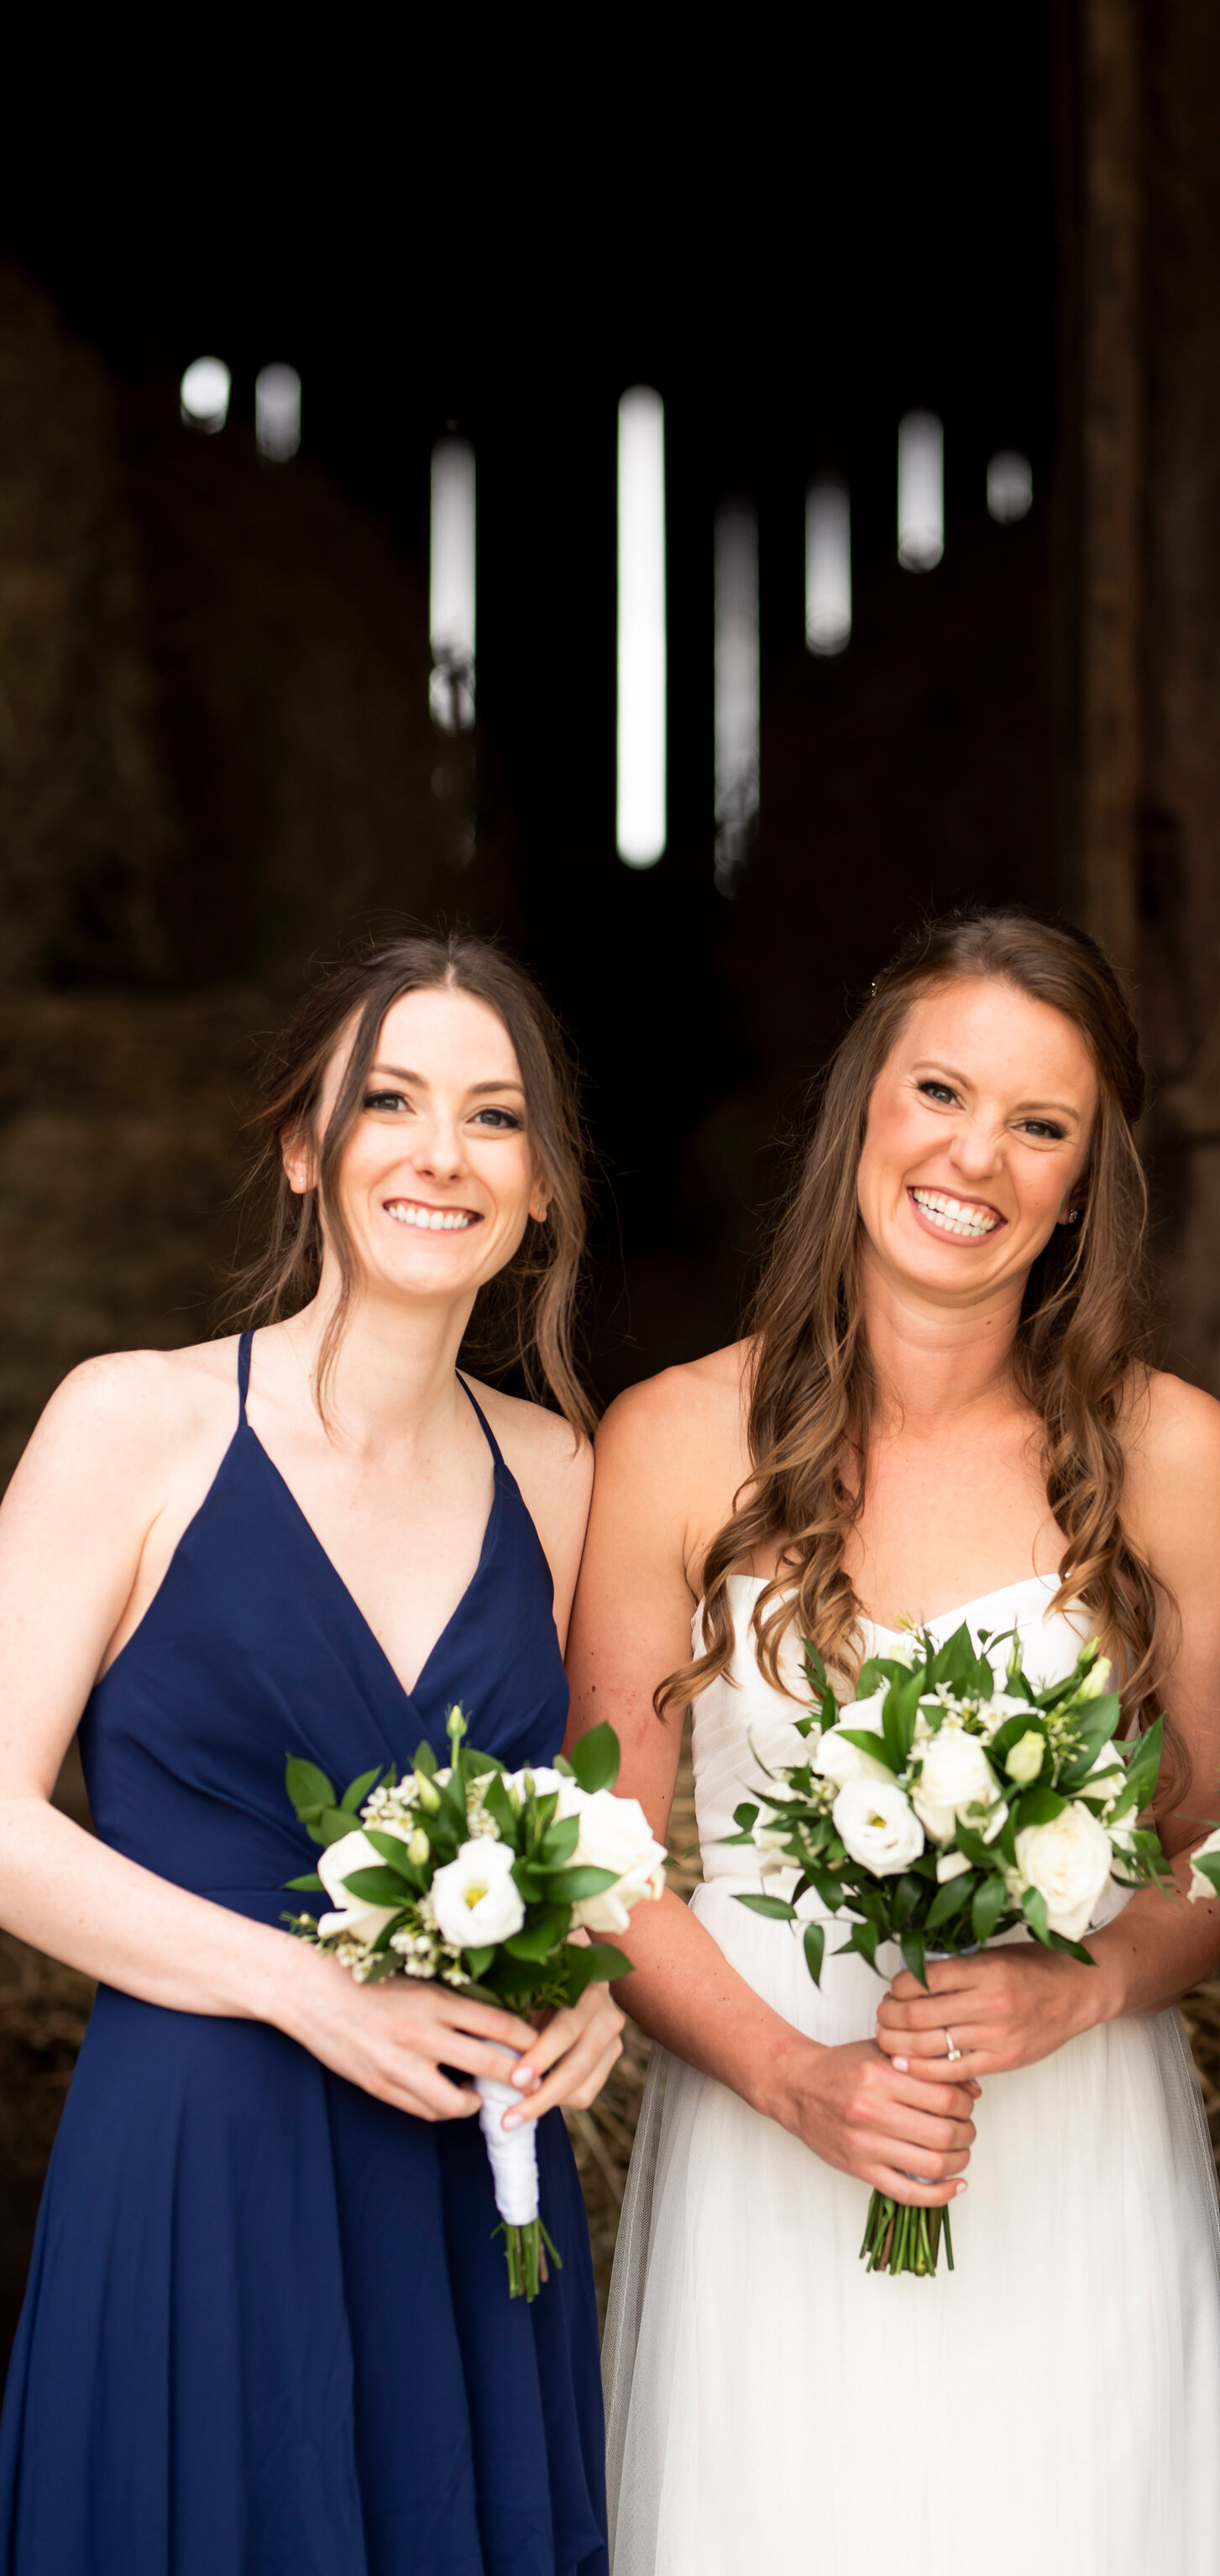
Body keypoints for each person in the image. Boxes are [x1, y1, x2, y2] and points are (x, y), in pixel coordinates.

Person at [558, 907, 1220, 2576]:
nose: (978, 1157)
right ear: (861, 1107)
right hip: (768, 2144)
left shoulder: (1170, 1452)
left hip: (1071, 2156)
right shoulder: (672, 1441)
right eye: (941, 1092)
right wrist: (801, 2079)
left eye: (1041, 1126)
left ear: (1086, 1182)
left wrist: (1086, 1981)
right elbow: (597, 1854)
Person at [0, 931, 622, 2576]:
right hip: (203, 2148)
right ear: (303, 1146)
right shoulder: (132, 1422)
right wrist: (301, 1982)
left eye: (493, 1118)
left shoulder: (562, 1473)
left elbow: (594, 1826)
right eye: (389, 1102)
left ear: (543, 1185)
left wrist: (599, 1994)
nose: (439, 1153)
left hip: (464, 2173)